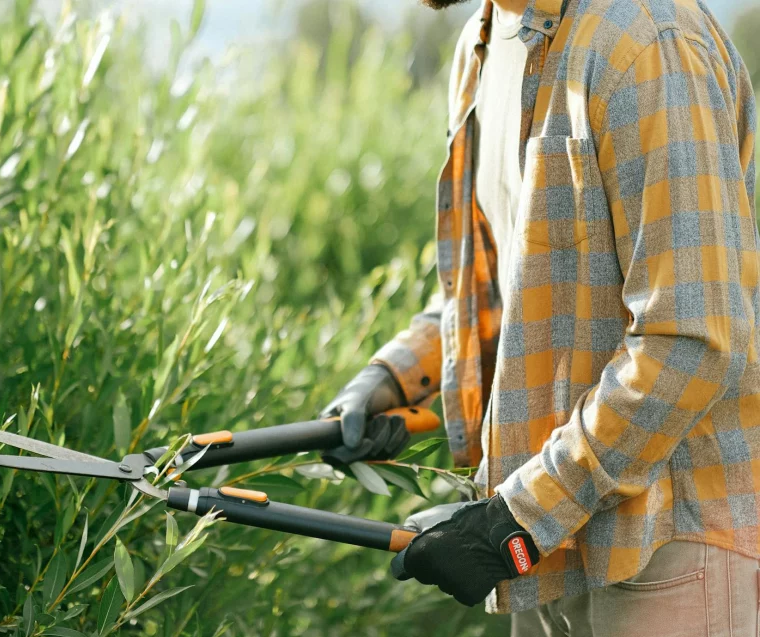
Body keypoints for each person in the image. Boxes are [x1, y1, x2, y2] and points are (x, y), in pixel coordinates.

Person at [320, 0, 759, 634]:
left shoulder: (645, 42)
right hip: (554, 541)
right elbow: (514, 286)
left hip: (670, 546)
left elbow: (690, 337)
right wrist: (392, 377)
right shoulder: (482, 44)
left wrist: (517, 518)